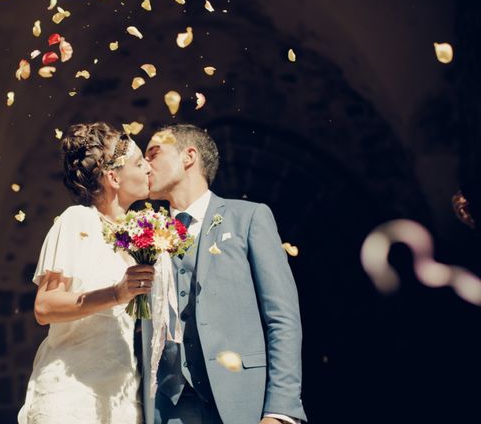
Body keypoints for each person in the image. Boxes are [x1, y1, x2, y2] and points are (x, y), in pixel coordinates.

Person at [141, 124, 307, 424]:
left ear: (188, 157)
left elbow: (282, 317)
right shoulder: (144, 236)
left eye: (153, 153)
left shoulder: (249, 218)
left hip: (242, 402)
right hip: (168, 408)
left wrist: (280, 411)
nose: (144, 164)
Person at [18, 122, 154, 424]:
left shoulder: (133, 240)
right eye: (139, 162)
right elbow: (45, 307)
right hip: (73, 397)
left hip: (121, 401)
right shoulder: (77, 220)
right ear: (113, 177)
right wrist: (116, 294)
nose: (149, 168)